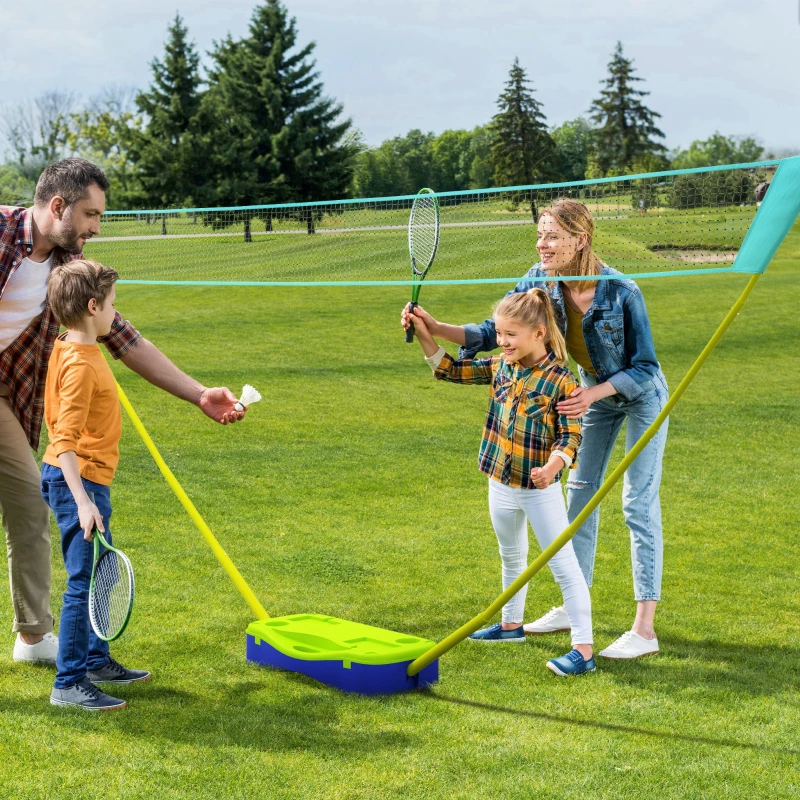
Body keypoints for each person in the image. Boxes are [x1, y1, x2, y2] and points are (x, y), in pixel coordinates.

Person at [0, 158, 245, 666]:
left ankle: (32, 636)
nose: (94, 228)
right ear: (58, 205)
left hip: (6, 397)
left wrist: (199, 393)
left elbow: (124, 337)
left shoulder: (69, 272)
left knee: (27, 502)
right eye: (90, 215)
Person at [402, 198, 668, 660]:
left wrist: (594, 394)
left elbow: (646, 366)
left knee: (636, 504)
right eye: (540, 234)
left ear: (579, 240)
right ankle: (572, 604)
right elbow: (498, 330)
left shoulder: (622, 291)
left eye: (552, 236)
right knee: (579, 496)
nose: (542, 244)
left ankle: (644, 629)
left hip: (638, 397)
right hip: (586, 392)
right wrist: (435, 327)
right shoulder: (539, 279)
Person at [410, 288, 595, 676]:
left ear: (539, 333)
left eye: (511, 335)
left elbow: (571, 437)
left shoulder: (560, 381)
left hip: (539, 491)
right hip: (499, 481)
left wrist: (553, 468)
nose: (502, 341)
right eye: (499, 333)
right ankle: (512, 625)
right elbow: (449, 369)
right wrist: (424, 330)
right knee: (511, 556)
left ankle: (584, 649)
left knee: (563, 565)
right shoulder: (501, 367)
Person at [41, 260, 149, 709]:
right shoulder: (81, 362)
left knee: (100, 571)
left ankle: (95, 659)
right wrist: (84, 501)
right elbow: (63, 439)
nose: (115, 315)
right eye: (112, 306)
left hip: (86, 477)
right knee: (83, 580)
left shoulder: (67, 341)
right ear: (91, 306)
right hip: (78, 480)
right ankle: (68, 683)